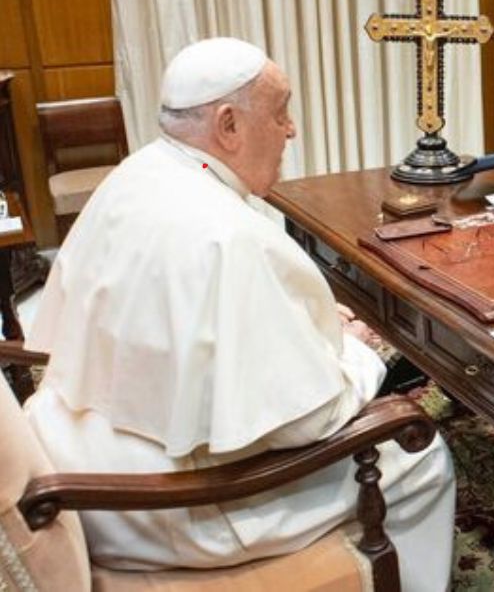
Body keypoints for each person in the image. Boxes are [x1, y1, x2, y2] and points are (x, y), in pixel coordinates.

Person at [23, 38, 456, 591]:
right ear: (228, 124)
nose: (292, 130)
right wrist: (358, 356)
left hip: (80, 453)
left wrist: (313, 338)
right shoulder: (223, 235)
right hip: (162, 504)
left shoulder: (138, 172)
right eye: (281, 113)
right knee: (419, 453)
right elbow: (306, 421)